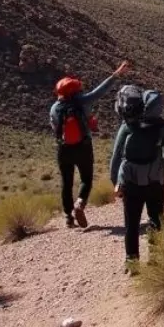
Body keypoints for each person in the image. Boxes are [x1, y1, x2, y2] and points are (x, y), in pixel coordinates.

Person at [49, 60, 129, 228]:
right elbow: (100, 91)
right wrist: (116, 74)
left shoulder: (54, 108)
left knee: (66, 182)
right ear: (74, 92)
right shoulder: (83, 102)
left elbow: (55, 127)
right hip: (83, 146)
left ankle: (68, 218)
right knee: (86, 179)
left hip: (63, 149)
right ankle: (80, 203)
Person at [109, 85, 164, 269]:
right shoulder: (163, 126)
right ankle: (155, 259)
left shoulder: (127, 126)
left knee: (131, 223)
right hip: (155, 180)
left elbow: (116, 157)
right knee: (156, 219)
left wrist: (116, 183)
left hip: (131, 182)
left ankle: (132, 261)